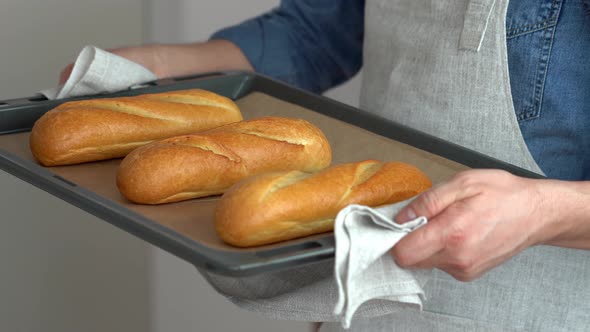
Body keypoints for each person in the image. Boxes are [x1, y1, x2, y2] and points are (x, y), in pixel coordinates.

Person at [61, 0, 590, 330]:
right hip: (364, 291)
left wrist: (546, 211)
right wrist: (155, 65)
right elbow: (318, 31)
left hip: (532, 307)